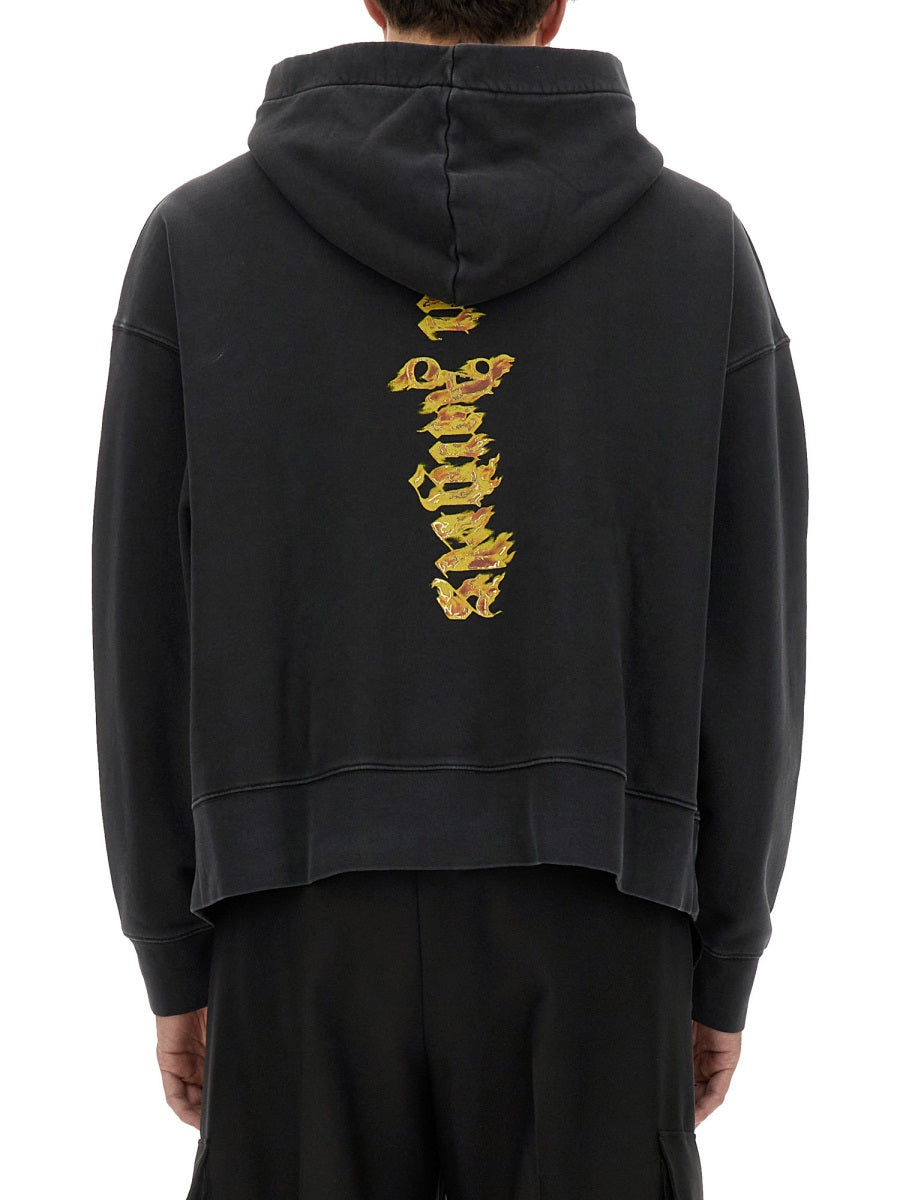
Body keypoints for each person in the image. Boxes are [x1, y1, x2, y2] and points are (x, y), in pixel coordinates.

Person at [91, 1, 809, 1196]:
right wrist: (726, 949)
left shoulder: (196, 242)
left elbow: (139, 630)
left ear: (375, 0)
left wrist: (171, 946)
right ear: (557, 7)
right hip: (601, 917)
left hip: (295, 923)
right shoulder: (699, 249)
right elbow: (754, 637)